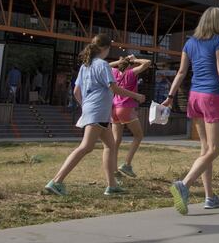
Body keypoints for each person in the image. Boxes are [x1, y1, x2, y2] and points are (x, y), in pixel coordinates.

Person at [44, 34, 145, 197]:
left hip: (96, 111)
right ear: (105, 48)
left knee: (110, 146)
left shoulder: (86, 66)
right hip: (98, 111)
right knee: (86, 147)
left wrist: (85, 106)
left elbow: (76, 91)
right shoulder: (102, 65)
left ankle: (112, 185)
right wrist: (136, 96)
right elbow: (114, 89)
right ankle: (56, 181)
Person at [164, 7, 219, 215]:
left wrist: (170, 96)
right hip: (212, 96)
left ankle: (210, 197)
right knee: (213, 150)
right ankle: (184, 185)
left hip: (194, 97)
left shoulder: (189, 43)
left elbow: (181, 72)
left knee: (205, 150)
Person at [109, 54, 152, 178]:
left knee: (116, 141)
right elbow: (148, 62)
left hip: (114, 108)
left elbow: (106, 65)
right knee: (138, 136)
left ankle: (114, 170)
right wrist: (135, 59)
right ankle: (127, 164)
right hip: (126, 108)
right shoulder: (131, 72)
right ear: (130, 65)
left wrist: (119, 61)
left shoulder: (114, 72)